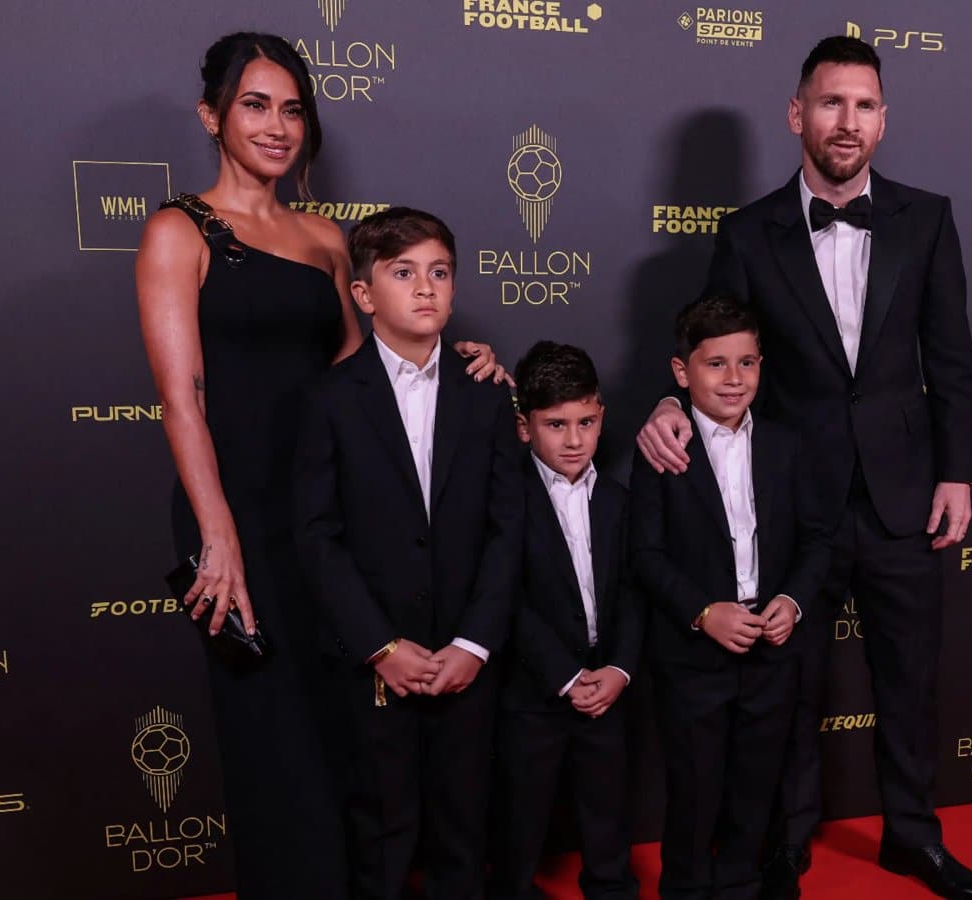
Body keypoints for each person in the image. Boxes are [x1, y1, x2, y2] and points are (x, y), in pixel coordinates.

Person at [136, 35, 501, 899]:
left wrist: (459, 363)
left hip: (328, 512)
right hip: (235, 514)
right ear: (212, 116)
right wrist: (218, 538)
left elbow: (361, 372)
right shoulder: (176, 230)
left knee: (345, 733)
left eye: (292, 107)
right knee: (271, 738)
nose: (276, 125)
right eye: (255, 105)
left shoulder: (326, 238)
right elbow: (182, 396)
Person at [635, 36, 972, 900]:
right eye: (832, 103)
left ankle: (913, 836)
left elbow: (951, 359)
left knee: (909, 678)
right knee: (783, 685)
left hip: (904, 491)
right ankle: (781, 847)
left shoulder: (928, 216)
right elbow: (715, 350)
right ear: (798, 114)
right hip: (789, 503)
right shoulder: (747, 231)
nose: (848, 121)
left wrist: (959, 474)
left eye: (865, 105)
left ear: (883, 120)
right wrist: (664, 402)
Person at [292, 207, 523, 900]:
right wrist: (380, 646)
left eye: (439, 273)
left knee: (464, 831)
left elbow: (508, 530)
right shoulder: (329, 399)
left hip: (466, 660)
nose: (425, 288)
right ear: (363, 295)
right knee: (382, 835)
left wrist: (475, 642)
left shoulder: (486, 397)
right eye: (403, 273)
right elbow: (315, 535)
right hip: (375, 664)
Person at [630, 295, 830, 899]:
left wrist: (792, 601)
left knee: (757, 785)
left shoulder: (786, 444)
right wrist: (702, 611)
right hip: (694, 659)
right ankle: (687, 888)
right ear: (681, 371)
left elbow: (819, 538)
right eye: (716, 364)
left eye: (747, 362)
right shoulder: (662, 450)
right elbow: (644, 556)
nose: (734, 378)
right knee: (694, 790)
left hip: (771, 651)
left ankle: (743, 881)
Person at [489, 341, 642, 900]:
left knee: (608, 816)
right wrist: (564, 675)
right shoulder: (504, 499)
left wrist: (620, 669)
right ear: (525, 426)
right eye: (556, 425)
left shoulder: (621, 500)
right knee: (519, 821)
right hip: (532, 693)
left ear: (602, 416)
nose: (574, 440)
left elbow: (633, 590)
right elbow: (506, 598)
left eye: (585, 422)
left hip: (607, 685)